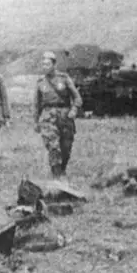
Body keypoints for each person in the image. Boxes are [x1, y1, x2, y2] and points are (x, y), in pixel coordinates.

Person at [34, 51, 83, 179]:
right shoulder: (40, 82)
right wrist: (36, 122)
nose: (45, 67)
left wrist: (74, 110)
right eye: (43, 64)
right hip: (48, 117)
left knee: (66, 147)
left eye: (47, 64)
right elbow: (37, 105)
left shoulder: (64, 78)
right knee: (53, 146)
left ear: (54, 64)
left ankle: (62, 170)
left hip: (65, 116)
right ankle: (56, 174)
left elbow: (77, 98)